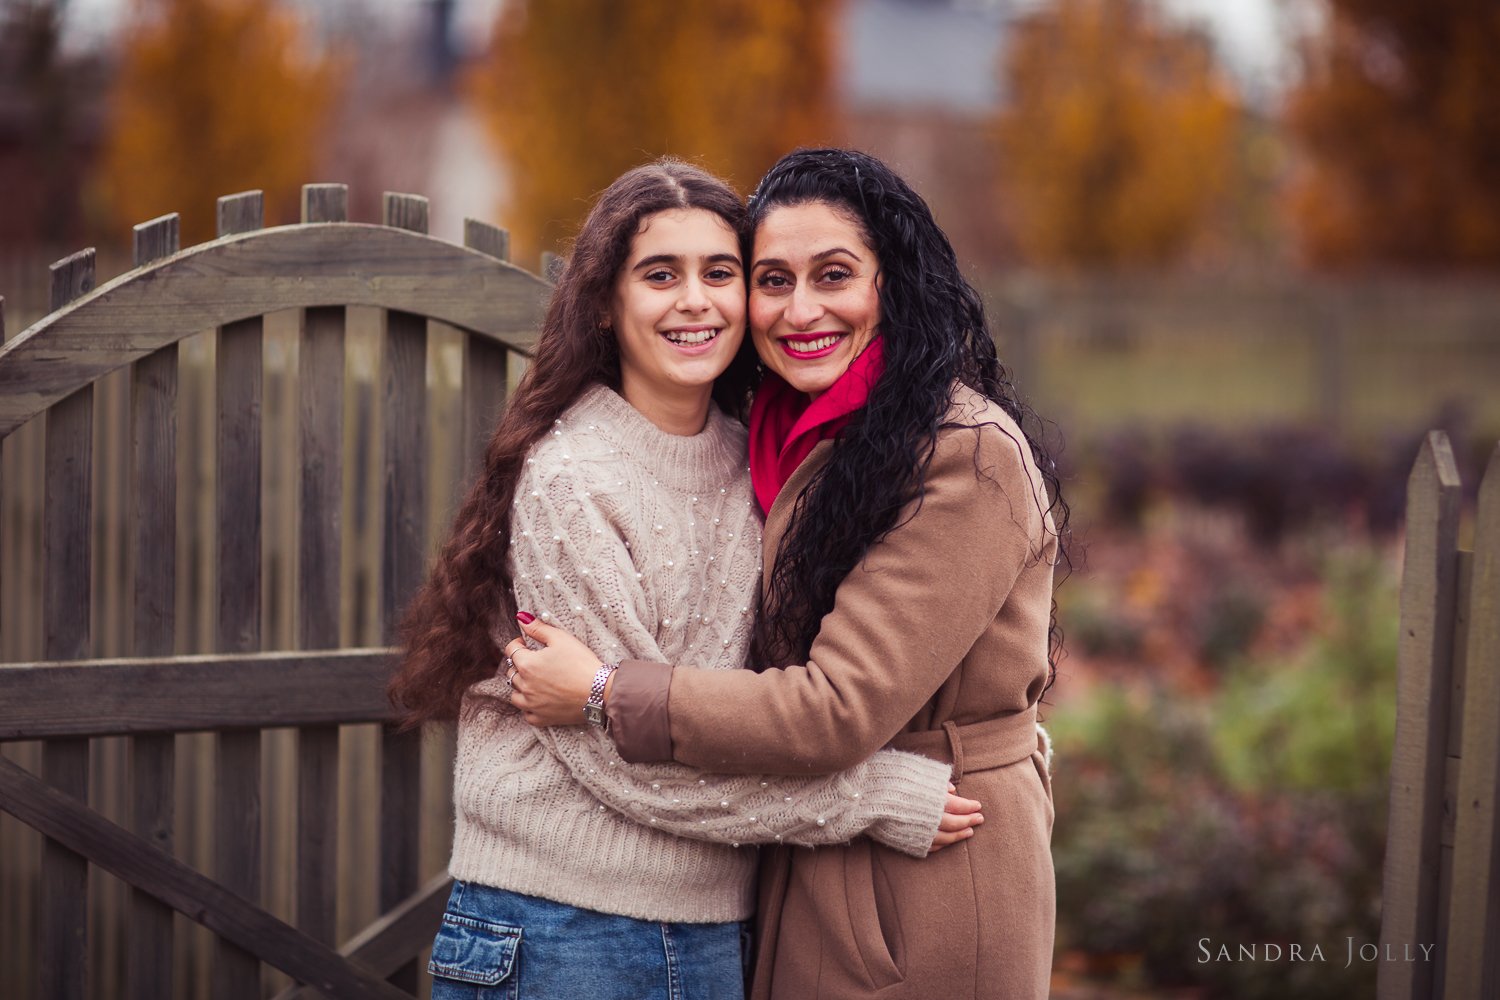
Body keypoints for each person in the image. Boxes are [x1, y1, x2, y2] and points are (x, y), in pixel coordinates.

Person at [387, 158, 977, 1000]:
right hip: (562, 929)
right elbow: (630, 763)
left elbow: (800, 675)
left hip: (714, 928)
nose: (695, 300)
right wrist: (872, 795)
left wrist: (985, 735)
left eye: (722, 273)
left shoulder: (763, 460)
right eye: (661, 274)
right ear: (604, 301)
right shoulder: (573, 478)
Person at [506, 148, 1069, 1000]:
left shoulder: (964, 455)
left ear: (893, 284)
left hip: (925, 872)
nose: (801, 309)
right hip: (806, 860)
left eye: (834, 275)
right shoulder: (785, 440)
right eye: (773, 279)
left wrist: (606, 690)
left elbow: (837, 708)